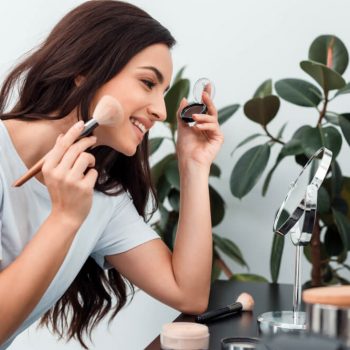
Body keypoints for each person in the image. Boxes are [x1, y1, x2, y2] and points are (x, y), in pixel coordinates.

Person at [0, 1, 224, 348]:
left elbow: (189, 294)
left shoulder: (101, 196)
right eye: (147, 82)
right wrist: (64, 218)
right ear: (84, 70)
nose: (161, 111)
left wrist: (193, 166)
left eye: (163, 93)